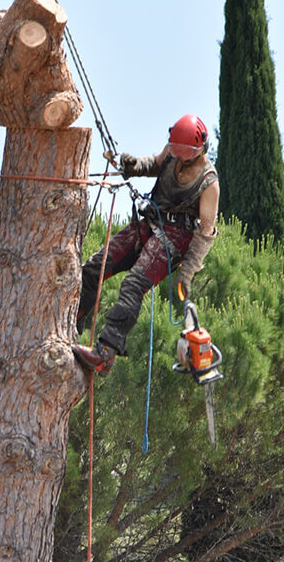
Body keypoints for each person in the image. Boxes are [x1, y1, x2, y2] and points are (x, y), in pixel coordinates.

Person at [73, 114, 220, 376]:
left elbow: (206, 232)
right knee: (95, 267)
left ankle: (106, 353)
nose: (177, 157)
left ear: (198, 150)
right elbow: (154, 164)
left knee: (133, 284)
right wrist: (133, 166)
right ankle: (72, 323)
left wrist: (186, 273)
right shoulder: (173, 151)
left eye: (183, 154)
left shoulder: (209, 184)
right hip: (150, 223)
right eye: (174, 150)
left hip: (175, 238)